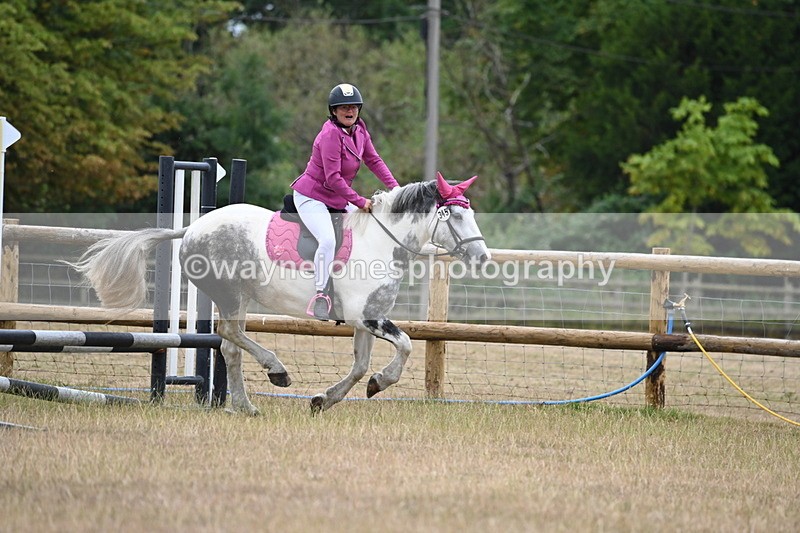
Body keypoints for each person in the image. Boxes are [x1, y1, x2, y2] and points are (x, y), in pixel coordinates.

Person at [291, 83, 399, 320]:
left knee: (369, 227)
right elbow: (333, 179)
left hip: (337, 196)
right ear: (334, 111)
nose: (349, 111)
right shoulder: (330, 135)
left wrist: (396, 189)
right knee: (328, 240)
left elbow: (374, 160)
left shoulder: (360, 129)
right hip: (313, 196)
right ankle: (321, 294)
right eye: (343, 108)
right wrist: (360, 201)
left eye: (353, 107)